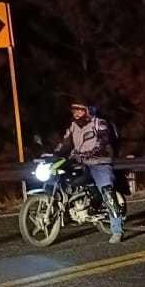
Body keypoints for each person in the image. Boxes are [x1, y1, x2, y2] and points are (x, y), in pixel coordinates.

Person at [55, 100, 124, 244]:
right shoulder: (73, 126)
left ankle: (117, 230)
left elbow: (104, 140)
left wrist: (93, 152)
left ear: (88, 110)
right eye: (74, 110)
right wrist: (54, 154)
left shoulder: (99, 123)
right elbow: (65, 143)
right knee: (68, 181)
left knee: (107, 192)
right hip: (82, 163)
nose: (76, 113)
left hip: (100, 162)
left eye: (80, 110)